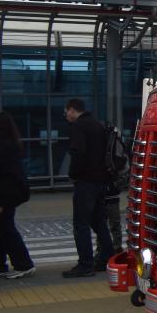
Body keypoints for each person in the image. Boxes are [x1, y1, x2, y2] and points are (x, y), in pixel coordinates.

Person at [63, 98, 114, 278]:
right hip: (101, 181)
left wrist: (73, 175)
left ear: (71, 110)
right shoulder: (98, 126)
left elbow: (78, 153)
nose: (65, 115)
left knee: (81, 223)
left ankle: (85, 264)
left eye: (66, 111)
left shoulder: (79, 126)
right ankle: (107, 257)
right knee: (99, 222)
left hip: (86, 182)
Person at [0, 111, 34, 280]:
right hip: (8, 195)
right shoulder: (10, 145)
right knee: (2, 228)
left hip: (4, 196)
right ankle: (1, 264)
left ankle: (24, 264)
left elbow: (4, 178)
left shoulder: (4, 148)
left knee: (6, 229)